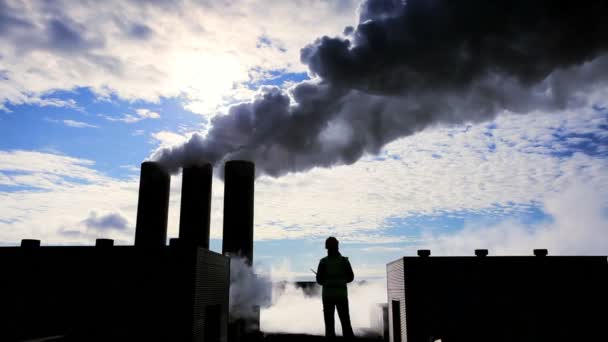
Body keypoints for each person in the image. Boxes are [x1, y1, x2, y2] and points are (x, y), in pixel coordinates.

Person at [316, 236, 355, 339]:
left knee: (329, 326)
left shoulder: (323, 262)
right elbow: (351, 277)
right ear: (337, 246)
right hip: (341, 296)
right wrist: (341, 281)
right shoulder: (344, 261)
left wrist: (327, 282)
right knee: (346, 323)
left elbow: (319, 280)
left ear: (326, 247)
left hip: (327, 297)